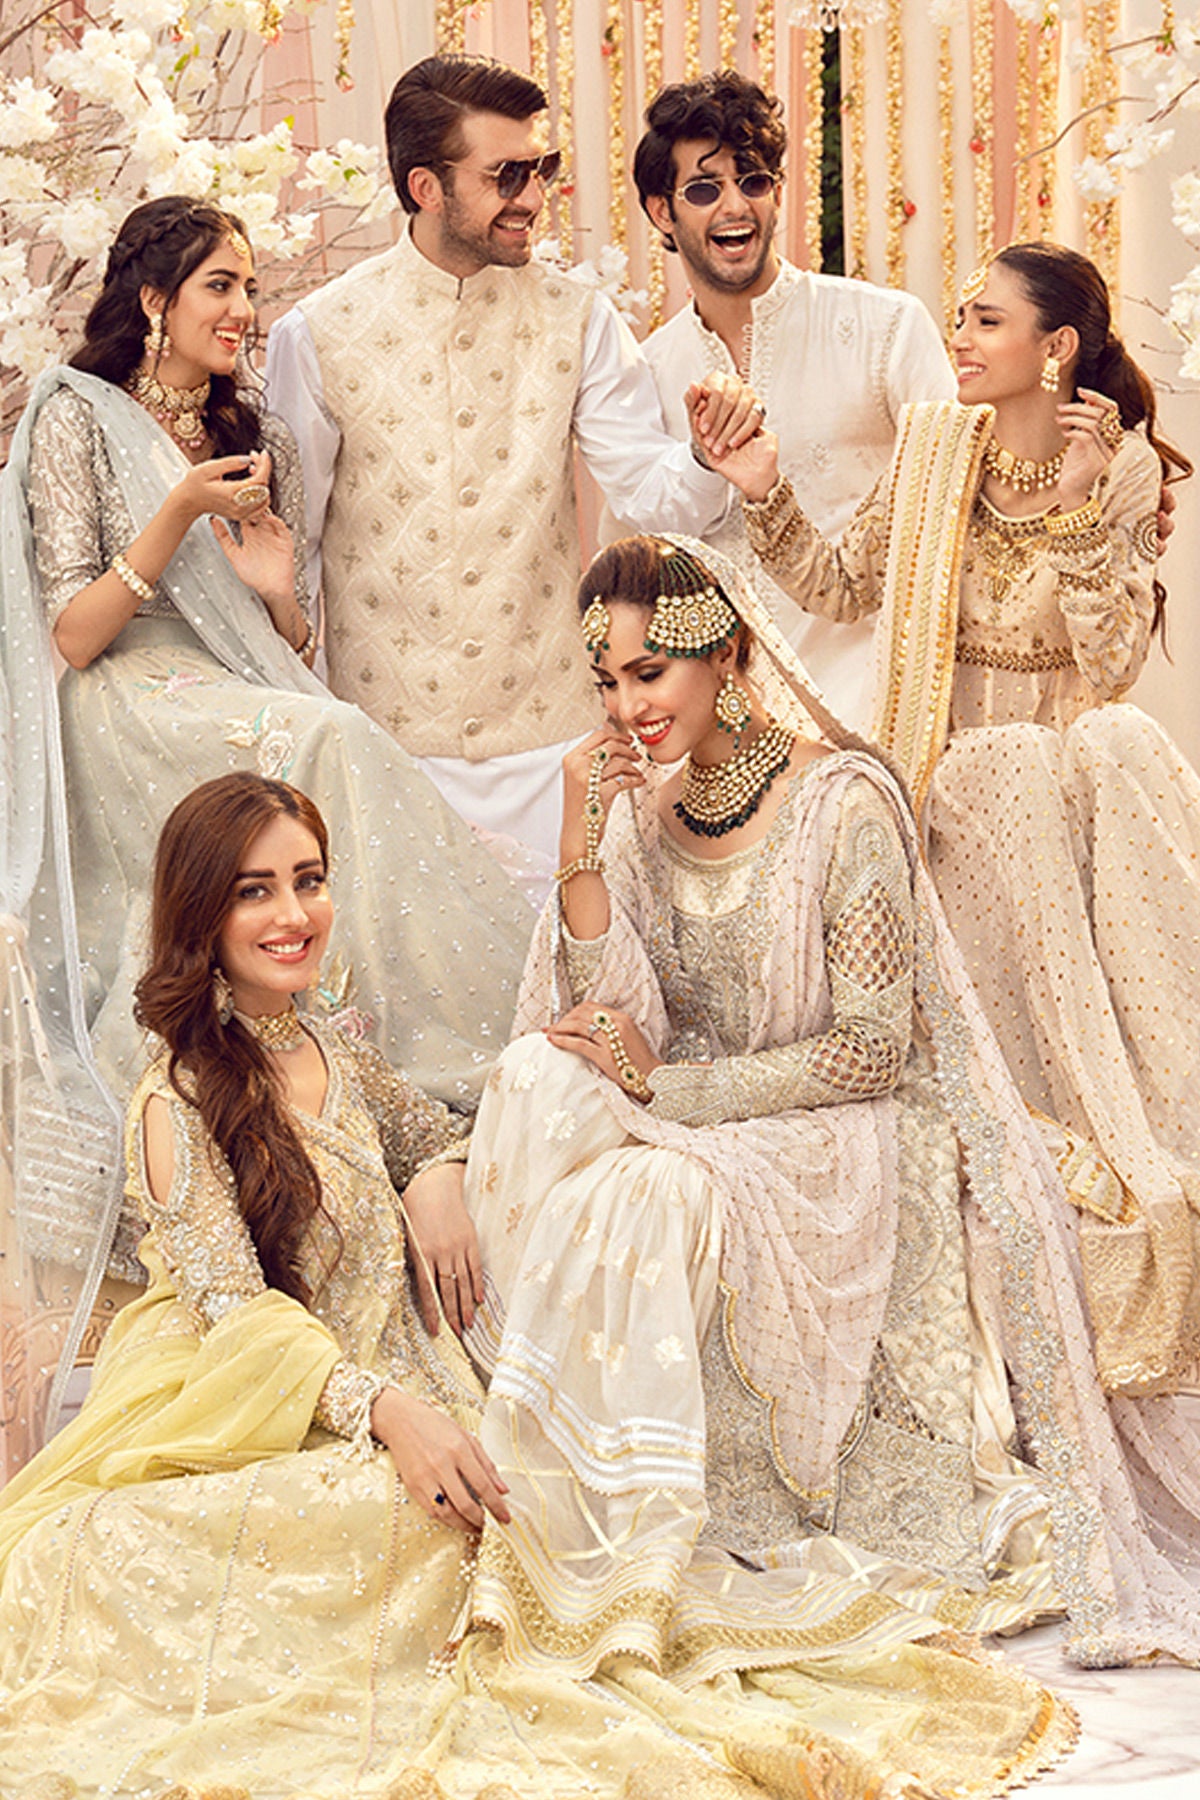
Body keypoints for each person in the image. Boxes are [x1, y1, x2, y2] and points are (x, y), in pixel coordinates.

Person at [0, 770, 1082, 1799]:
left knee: (482, 1517)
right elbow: (237, 1319)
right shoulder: (177, 1099)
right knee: (279, 1533)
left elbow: (432, 1128)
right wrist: (391, 1413)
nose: (294, 914)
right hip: (260, 1410)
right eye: (255, 891)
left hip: (413, 1382)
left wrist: (435, 1176)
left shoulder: (328, 1044)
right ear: (202, 915)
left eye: (309, 879)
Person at [460, 534, 1200, 1721]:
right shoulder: (642, 820)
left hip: (842, 1134)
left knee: (646, 1194)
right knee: (533, 1079)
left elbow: (868, 1051)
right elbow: (603, 1020)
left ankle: (624, 1517)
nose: (627, 707)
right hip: (708, 1118)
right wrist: (579, 852)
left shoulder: (841, 804)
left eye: (650, 673)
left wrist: (671, 1095)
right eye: (607, 681)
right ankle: (547, 1493)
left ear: (728, 655)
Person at [0, 196, 536, 1463]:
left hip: (238, 687)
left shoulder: (261, 436)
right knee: (326, 742)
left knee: (326, 736)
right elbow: (71, 637)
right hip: (123, 699)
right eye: (220, 287)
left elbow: (285, 647)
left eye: (250, 287)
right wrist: (176, 514)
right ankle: (417, 1027)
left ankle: (408, 1043)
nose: (245, 311)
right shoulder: (73, 416)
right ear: (153, 302)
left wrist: (277, 591)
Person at [711, 240, 1200, 1399]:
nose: (960, 338)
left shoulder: (1119, 467)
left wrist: (1077, 510)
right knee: (1002, 764)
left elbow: (1113, 667)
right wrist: (763, 487)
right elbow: (841, 588)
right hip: (954, 784)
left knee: (1096, 748)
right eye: (961, 317)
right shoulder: (937, 450)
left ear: (1056, 346)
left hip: (1065, 800)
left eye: (985, 320)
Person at [266, 53, 762, 871]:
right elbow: (295, 546)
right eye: (507, 175)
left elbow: (649, 490)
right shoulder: (319, 333)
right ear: (427, 188)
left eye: (542, 169)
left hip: (551, 745)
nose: (534, 197)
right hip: (381, 745)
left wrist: (708, 461)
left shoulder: (579, 319)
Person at [621, 68, 955, 727]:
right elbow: (632, 568)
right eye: (704, 190)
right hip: (721, 729)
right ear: (662, 211)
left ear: (777, 192)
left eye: (753, 182)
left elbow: (963, 498)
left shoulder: (886, 328)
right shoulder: (646, 375)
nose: (735, 207)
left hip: (879, 707)